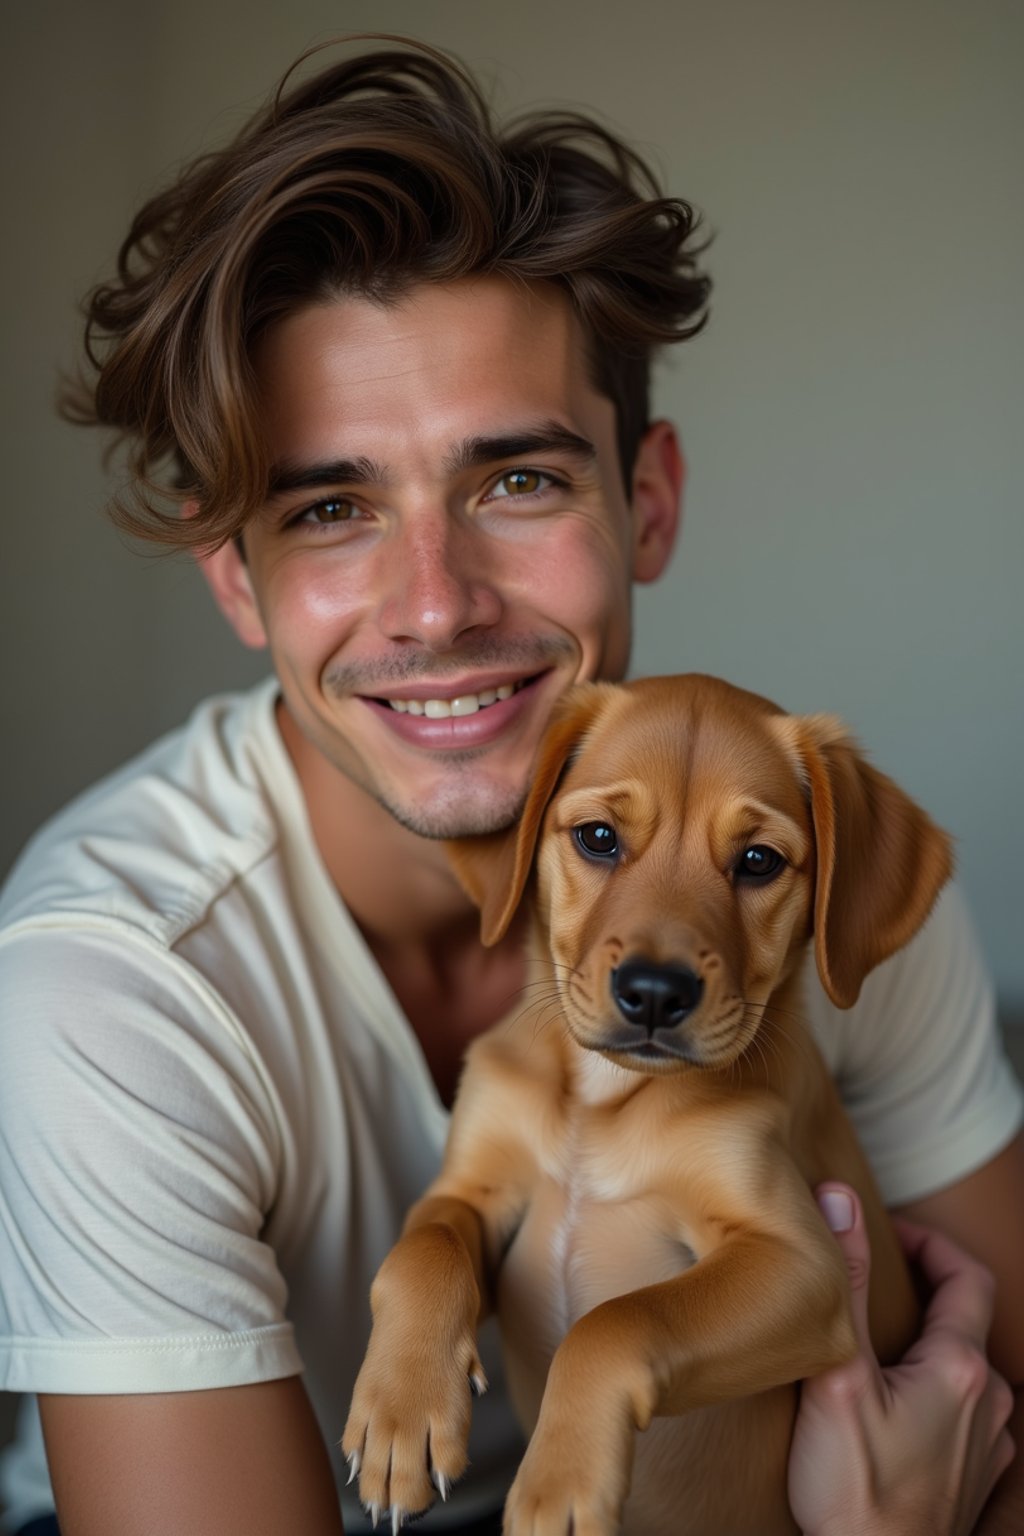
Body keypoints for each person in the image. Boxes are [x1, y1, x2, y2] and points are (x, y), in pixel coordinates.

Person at [0, 36, 1020, 1536]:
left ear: (648, 501)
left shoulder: (799, 850)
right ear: (237, 577)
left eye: (519, 480)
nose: (434, 606)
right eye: (334, 507)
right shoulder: (111, 987)